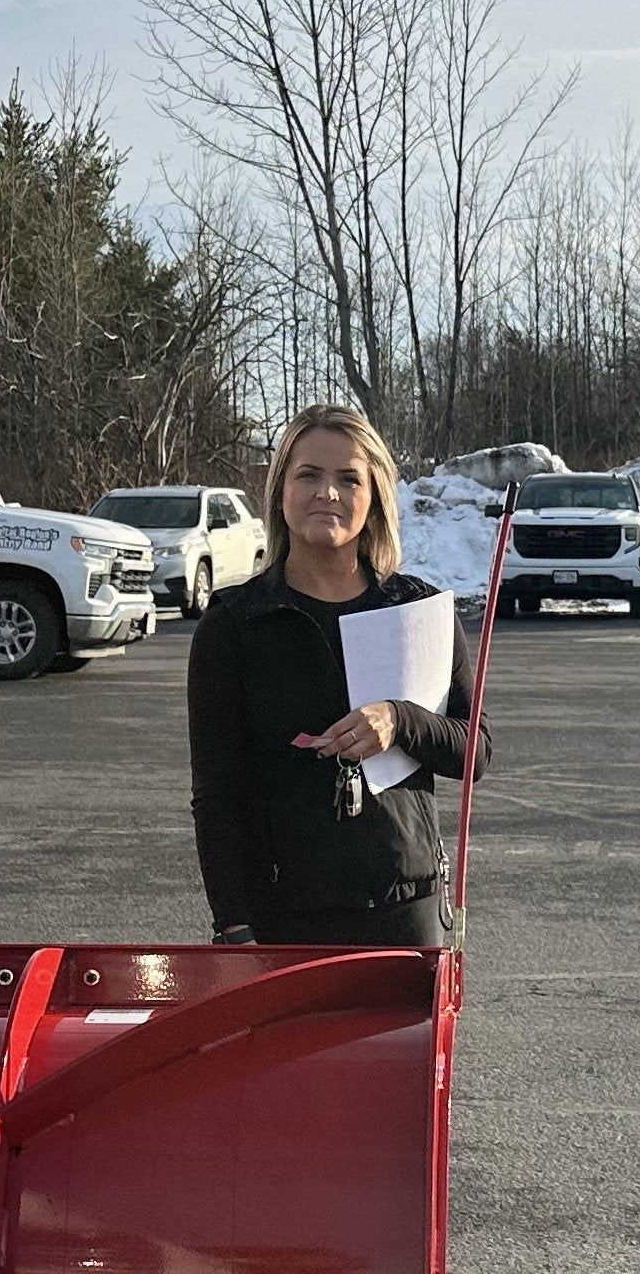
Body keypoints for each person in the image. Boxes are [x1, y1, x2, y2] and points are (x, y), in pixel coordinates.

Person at [188, 403, 484, 948]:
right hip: (282, 918)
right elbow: (217, 793)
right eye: (309, 475)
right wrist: (233, 925)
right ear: (281, 491)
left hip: (407, 910)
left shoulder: (417, 612)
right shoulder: (233, 623)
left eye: (349, 479)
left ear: (373, 499)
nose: (328, 493)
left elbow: (475, 750)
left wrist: (401, 722)